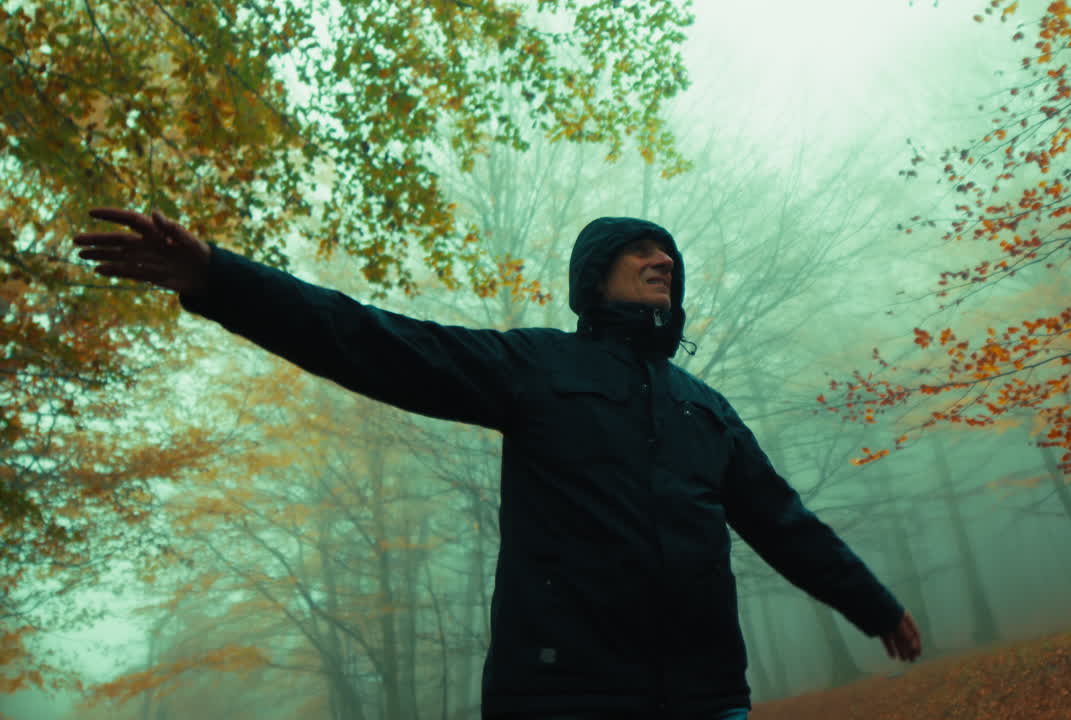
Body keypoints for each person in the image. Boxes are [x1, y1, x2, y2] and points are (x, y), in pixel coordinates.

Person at [75, 208, 922, 720]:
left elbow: (781, 519)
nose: (664, 261)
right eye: (641, 252)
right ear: (596, 278)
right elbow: (370, 342)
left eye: (670, 256)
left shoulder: (704, 406)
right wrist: (221, 281)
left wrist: (870, 601)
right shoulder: (534, 367)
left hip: (707, 698)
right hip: (565, 699)